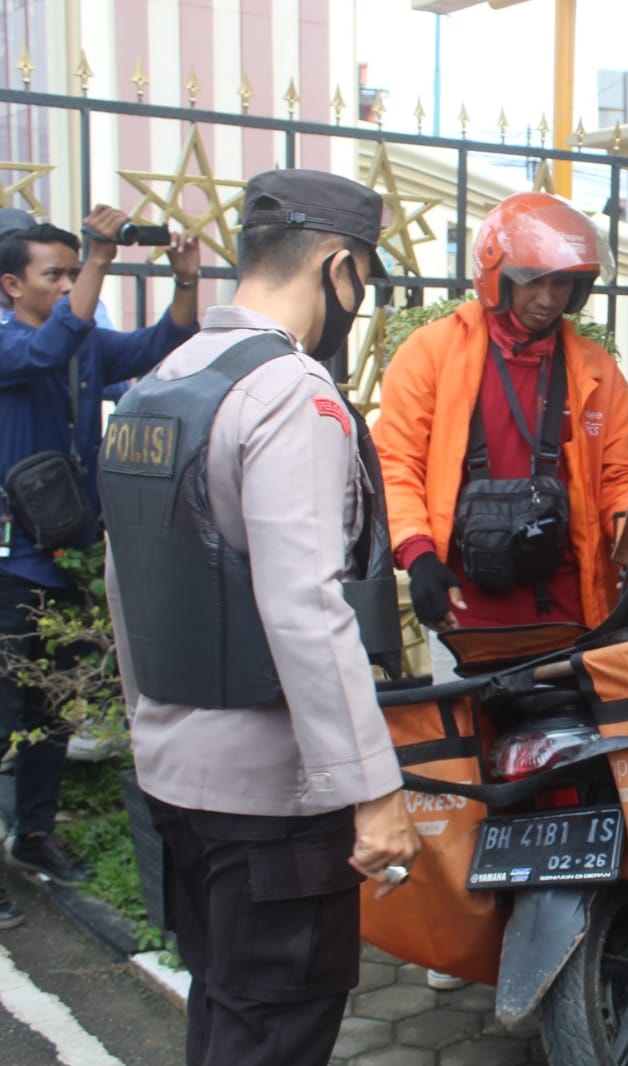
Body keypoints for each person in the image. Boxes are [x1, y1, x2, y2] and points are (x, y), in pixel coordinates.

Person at [100, 170, 419, 1065]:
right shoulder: (288, 391)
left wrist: (146, 725)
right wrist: (375, 791)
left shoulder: (163, 381)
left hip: (177, 776)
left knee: (224, 1010)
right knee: (272, 1028)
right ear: (339, 266)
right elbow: (308, 608)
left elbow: (125, 582)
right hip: (273, 803)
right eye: (362, 281)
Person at [0, 208, 198, 929]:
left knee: (52, 712)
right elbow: (49, 350)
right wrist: (100, 257)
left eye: (69, 272)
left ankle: (35, 835)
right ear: (9, 283)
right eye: (52, 274)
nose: (65, 284)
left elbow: (159, 346)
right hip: (11, 565)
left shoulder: (79, 344)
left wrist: (184, 283)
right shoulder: (13, 344)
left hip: (71, 556)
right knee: (3, 718)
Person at [374, 192, 628, 651]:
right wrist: (417, 555)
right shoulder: (431, 353)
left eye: (563, 285)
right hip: (464, 605)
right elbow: (396, 463)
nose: (547, 299)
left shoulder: (595, 370)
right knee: (469, 722)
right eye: (533, 281)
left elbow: (622, 477)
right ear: (497, 277)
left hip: (572, 606)